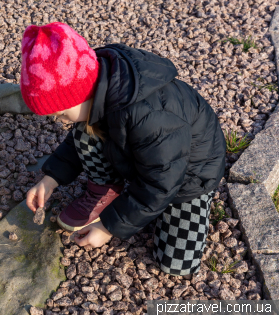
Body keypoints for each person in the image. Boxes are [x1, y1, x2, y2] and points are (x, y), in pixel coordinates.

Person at [21, 22, 226, 276]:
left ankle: (185, 209)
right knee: (83, 132)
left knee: (175, 265)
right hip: (153, 160)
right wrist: (51, 179)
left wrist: (108, 228)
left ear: (82, 94)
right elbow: (74, 144)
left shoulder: (149, 118)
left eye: (60, 113)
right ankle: (106, 190)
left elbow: (161, 183)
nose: (58, 121)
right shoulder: (99, 90)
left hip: (189, 177)